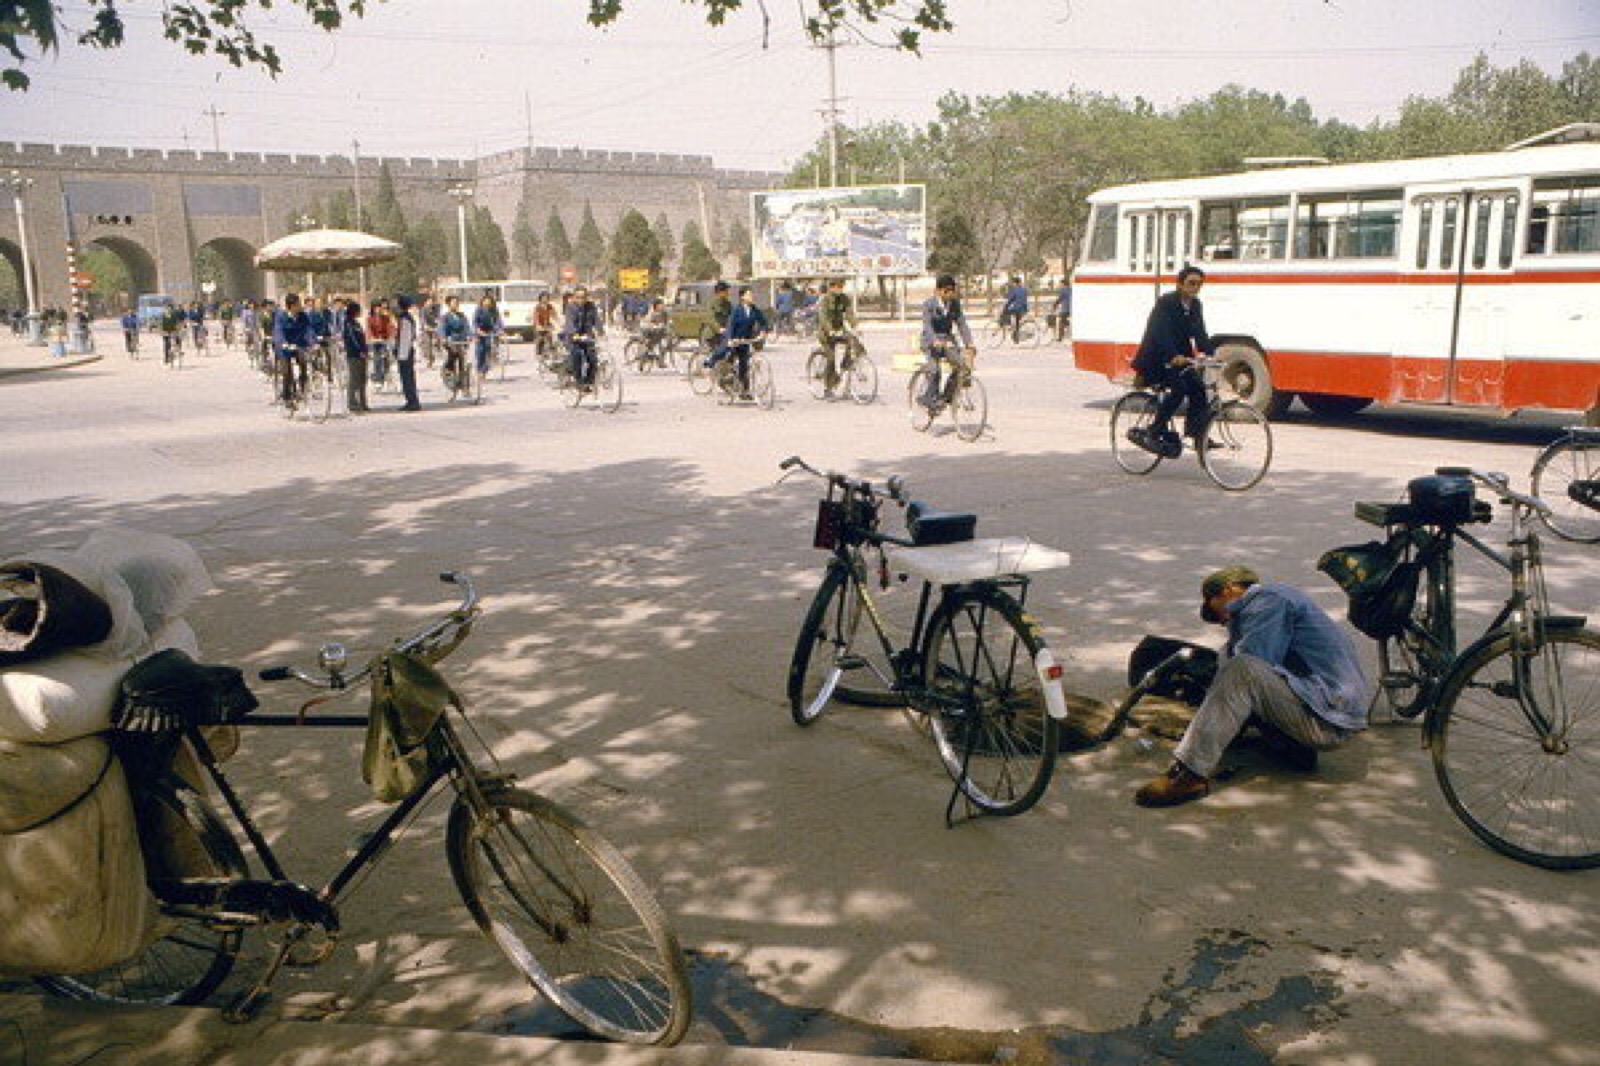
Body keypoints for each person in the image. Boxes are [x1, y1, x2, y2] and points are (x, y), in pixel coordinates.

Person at [1134, 567, 1369, 808]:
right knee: (1233, 666)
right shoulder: (1272, 602)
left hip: (1329, 721)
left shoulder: (1268, 601)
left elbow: (1251, 663)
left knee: (1242, 669)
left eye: (1216, 608)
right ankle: (1290, 745)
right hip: (1328, 708)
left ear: (1228, 589)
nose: (1222, 620)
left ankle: (1190, 773)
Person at [1131, 265, 1214, 456]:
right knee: (1179, 389)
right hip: (1157, 357)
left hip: (1181, 358)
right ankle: (1154, 430)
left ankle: (1195, 432)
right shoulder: (1166, 302)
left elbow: (1200, 333)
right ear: (1180, 284)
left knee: (1199, 388)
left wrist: (1211, 353)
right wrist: (1172, 355)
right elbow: (1161, 333)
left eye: (1199, 284)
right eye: (1191, 283)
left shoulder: (1195, 305)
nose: (1195, 288)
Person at [917, 274, 976, 412]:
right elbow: (927, 326)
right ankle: (928, 398)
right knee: (935, 370)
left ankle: (946, 397)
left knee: (962, 367)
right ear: (937, 290)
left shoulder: (955, 304)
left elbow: (962, 324)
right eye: (946, 290)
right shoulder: (928, 305)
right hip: (931, 342)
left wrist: (970, 343)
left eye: (952, 290)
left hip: (948, 341)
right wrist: (934, 340)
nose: (949, 293)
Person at [815, 277, 857, 395]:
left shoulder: (844, 298)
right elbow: (823, 318)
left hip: (839, 329)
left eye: (842, 287)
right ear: (831, 287)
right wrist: (830, 330)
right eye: (838, 287)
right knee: (831, 358)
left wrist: (855, 326)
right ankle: (828, 387)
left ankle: (844, 366)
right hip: (825, 333)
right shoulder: (825, 300)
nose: (840, 289)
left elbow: (849, 314)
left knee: (853, 342)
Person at [723, 286, 767, 398]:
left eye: (751, 295)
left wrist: (763, 332)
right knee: (730, 361)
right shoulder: (736, 310)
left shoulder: (754, 310)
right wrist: (731, 339)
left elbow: (763, 321)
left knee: (744, 365)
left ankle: (745, 390)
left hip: (746, 340)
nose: (751, 297)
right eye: (748, 295)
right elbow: (731, 325)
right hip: (735, 340)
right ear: (742, 297)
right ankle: (727, 382)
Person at [272, 293, 315, 405]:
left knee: (304, 363)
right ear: (290, 306)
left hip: (299, 345)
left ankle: (303, 389)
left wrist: (312, 342)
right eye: (297, 304)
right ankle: (286, 396)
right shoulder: (281, 316)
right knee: (286, 372)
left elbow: (308, 329)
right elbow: (278, 331)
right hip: (284, 348)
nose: (300, 306)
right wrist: (283, 343)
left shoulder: (303, 316)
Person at [564, 286, 602, 388]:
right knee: (577, 356)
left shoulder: (591, 306)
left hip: (587, 337)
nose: (581, 299)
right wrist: (574, 334)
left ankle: (589, 382)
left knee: (593, 359)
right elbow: (569, 323)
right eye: (578, 297)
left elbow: (596, 320)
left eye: (583, 297)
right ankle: (578, 381)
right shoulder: (570, 307)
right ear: (574, 297)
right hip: (573, 338)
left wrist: (601, 332)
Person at [393, 294, 422, 411]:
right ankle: (412, 400)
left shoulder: (404, 319)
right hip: (407, 351)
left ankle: (412, 402)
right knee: (408, 377)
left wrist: (400, 354)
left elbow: (405, 338)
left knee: (407, 378)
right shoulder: (407, 317)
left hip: (405, 352)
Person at [341, 298, 370, 413]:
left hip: (361, 354)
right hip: (354, 354)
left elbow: (362, 338)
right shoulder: (348, 323)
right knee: (354, 380)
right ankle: (352, 404)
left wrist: (365, 350)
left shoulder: (356, 323)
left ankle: (363, 403)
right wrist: (360, 351)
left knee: (362, 379)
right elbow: (353, 339)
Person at [438, 295, 471, 385]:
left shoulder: (462, 316)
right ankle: (448, 369)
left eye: (457, 303)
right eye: (454, 303)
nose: (456, 305)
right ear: (449, 305)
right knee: (453, 354)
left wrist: (470, 335)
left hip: (461, 341)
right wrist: (444, 337)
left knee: (463, 362)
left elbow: (467, 327)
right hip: (450, 341)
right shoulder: (445, 317)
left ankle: (464, 385)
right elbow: (442, 328)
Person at [703, 280, 733, 370]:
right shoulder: (711, 303)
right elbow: (710, 318)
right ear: (720, 292)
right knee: (720, 353)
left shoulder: (728, 304)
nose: (728, 293)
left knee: (732, 350)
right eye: (726, 291)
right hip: (713, 334)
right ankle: (709, 363)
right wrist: (719, 328)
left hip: (724, 334)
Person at [367, 299, 394, 387]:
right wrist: (372, 338)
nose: (378, 309)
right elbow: (369, 330)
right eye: (376, 308)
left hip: (384, 340)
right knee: (377, 359)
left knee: (386, 357)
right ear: (373, 309)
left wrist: (390, 336)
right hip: (375, 342)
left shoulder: (386, 317)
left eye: (379, 308)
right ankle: (377, 378)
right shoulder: (370, 318)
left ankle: (385, 373)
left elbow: (389, 328)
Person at [473, 294, 501, 377]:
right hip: (480, 332)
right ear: (482, 301)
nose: (488, 303)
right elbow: (475, 322)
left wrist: (500, 330)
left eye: (490, 301)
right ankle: (479, 370)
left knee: (489, 352)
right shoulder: (479, 310)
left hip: (490, 332)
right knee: (480, 352)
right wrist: (478, 330)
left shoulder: (494, 311)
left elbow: (498, 322)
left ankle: (484, 370)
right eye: (486, 301)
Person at [999, 275, 1028, 343]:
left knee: (1005, 313)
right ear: (1020, 282)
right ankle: (1016, 338)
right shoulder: (1024, 289)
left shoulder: (1014, 290)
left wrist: (1005, 306)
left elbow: (1010, 300)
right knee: (1017, 322)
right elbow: (1024, 300)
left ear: (1014, 283)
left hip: (1016, 308)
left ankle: (1007, 324)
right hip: (1023, 309)